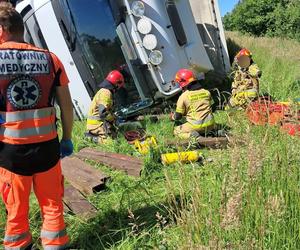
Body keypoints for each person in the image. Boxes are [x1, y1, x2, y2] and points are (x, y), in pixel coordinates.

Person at [0, 3, 73, 249]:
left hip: (10, 153)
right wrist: (67, 138)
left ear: (2, 29)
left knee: (16, 214)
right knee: (53, 207)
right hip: (48, 149)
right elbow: (67, 107)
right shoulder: (51, 59)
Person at [171, 69, 215, 139]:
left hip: (196, 126)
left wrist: (172, 117)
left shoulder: (184, 96)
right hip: (210, 124)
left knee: (176, 131)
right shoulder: (206, 92)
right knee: (206, 128)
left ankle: (194, 137)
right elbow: (213, 107)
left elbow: (178, 116)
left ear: (182, 83)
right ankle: (213, 132)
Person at [86, 70, 125, 143]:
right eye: (120, 85)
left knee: (118, 135)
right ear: (117, 83)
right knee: (113, 143)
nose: (119, 88)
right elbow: (103, 113)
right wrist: (113, 119)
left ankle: (96, 136)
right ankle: (92, 138)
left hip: (99, 122)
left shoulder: (105, 91)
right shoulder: (106, 93)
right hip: (97, 125)